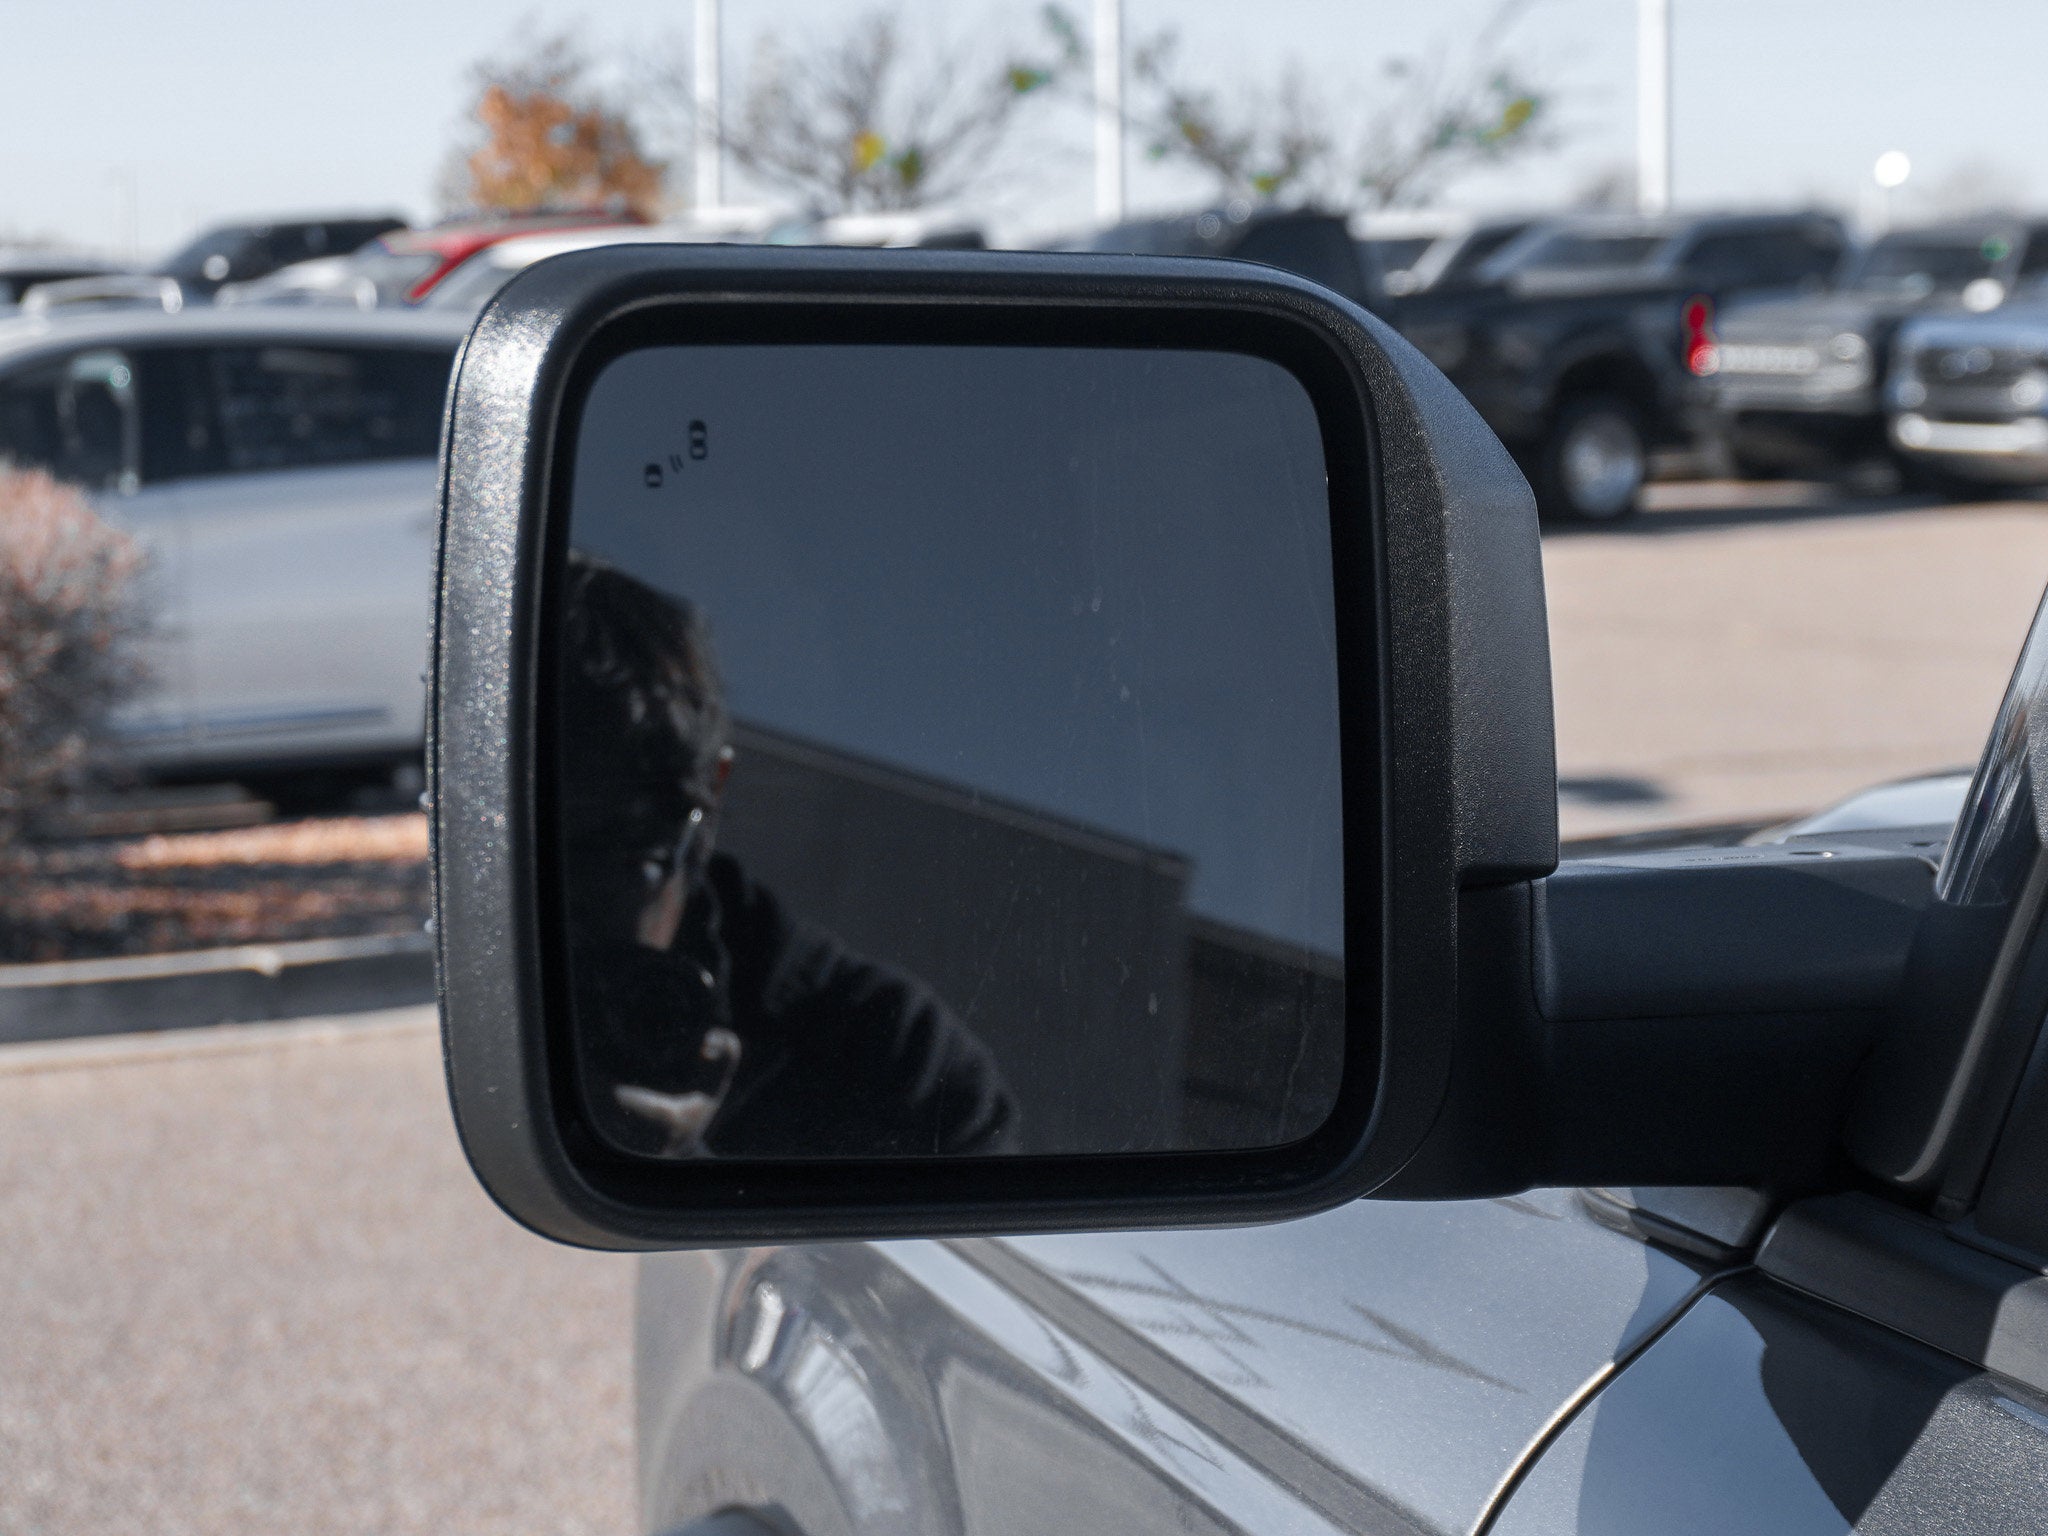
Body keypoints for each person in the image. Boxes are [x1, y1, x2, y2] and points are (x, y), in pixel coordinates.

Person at [556, 551, 1016, 1159]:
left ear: (713, 800)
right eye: (522, 860)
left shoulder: (904, 1070)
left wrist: (688, 1183)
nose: (556, 918)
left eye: (618, 861)